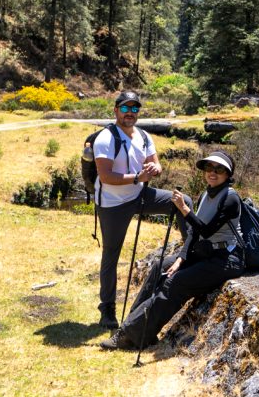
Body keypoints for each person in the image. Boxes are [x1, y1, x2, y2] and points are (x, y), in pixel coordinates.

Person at [100, 149, 245, 351]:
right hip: (206, 253)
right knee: (161, 267)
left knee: (175, 283)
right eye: (209, 167)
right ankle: (133, 328)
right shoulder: (206, 193)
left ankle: (132, 336)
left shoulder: (230, 198)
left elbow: (207, 230)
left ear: (228, 174)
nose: (213, 172)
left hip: (226, 259)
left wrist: (184, 209)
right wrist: (182, 258)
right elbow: (194, 233)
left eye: (219, 169)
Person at [94, 90, 192, 330]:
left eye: (134, 108)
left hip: (139, 195)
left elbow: (155, 161)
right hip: (113, 203)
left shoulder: (145, 136)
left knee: (182, 200)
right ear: (116, 110)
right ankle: (107, 309)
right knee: (111, 254)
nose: (130, 113)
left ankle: (190, 252)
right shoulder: (105, 138)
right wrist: (138, 177)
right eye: (125, 108)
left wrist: (155, 169)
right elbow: (106, 177)